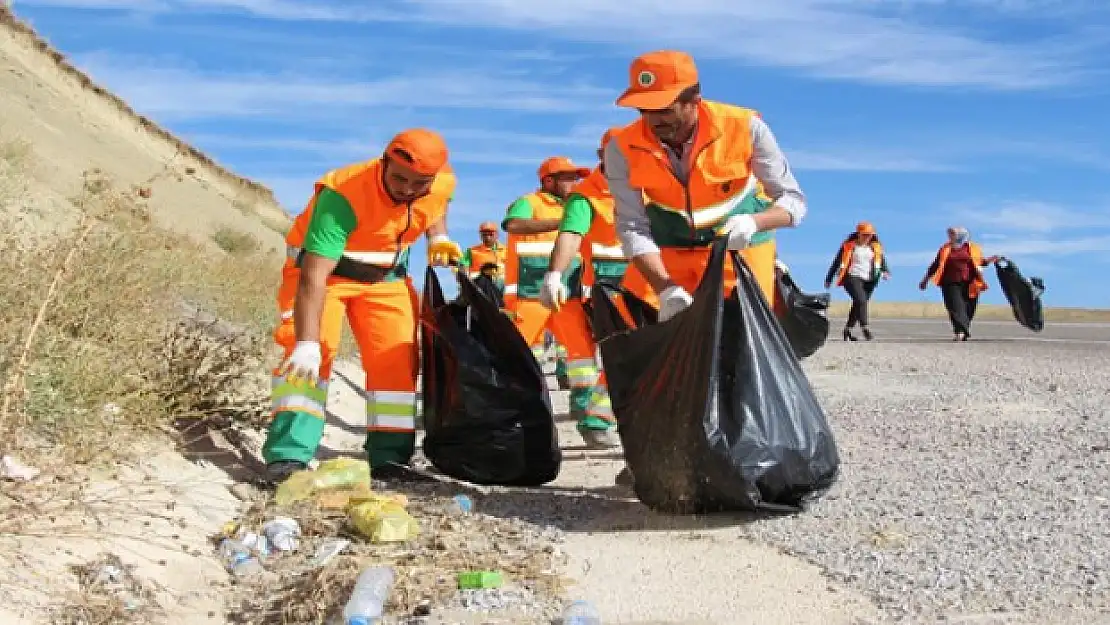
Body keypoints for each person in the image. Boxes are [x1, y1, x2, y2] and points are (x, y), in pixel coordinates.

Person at [263, 128, 463, 485]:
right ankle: (288, 457)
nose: (406, 189)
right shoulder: (343, 195)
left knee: (397, 362)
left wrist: (439, 236)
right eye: (399, 178)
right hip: (325, 277)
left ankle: (390, 458)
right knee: (312, 358)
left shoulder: (441, 183)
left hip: (385, 280)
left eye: (419, 183)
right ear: (383, 162)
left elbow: (436, 204)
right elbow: (314, 278)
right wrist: (306, 344)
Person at [605, 49, 807, 324]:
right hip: (668, 252)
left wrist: (754, 223)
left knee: (743, 333)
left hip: (739, 251)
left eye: (664, 110)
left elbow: (793, 203)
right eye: (644, 110)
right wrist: (665, 289)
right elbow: (631, 225)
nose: (653, 121)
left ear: (694, 101)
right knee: (636, 327)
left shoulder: (746, 128)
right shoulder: (621, 148)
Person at [501, 157, 603, 442]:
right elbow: (513, 225)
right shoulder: (529, 202)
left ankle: (585, 412)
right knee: (518, 355)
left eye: (576, 177)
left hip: (566, 294)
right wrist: (561, 222)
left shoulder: (578, 205)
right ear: (548, 181)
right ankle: (514, 415)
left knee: (582, 355)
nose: (574, 183)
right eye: (567, 177)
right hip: (528, 294)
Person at [539, 128, 628, 448]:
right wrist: (555, 274)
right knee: (626, 354)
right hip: (607, 288)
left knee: (631, 355)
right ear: (603, 155)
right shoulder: (587, 196)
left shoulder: (649, 185)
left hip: (647, 284)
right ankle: (598, 417)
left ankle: (600, 416)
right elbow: (571, 236)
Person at [918, 226, 999, 341]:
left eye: (953, 233)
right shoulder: (945, 249)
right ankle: (960, 331)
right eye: (950, 234)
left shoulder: (973, 248)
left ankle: (963, 329)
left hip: (971, 282)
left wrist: (990, 260)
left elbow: (980, 262)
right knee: (956, 307)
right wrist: (925, 280)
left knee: (969, 308)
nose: (950, 236)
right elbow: (935, 265)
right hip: (950, 282)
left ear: (961, 235)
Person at [824, 221, 890, 341]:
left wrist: (885, 271)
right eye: (865, 234)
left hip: (870, 280)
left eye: (869, 235)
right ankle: (865, 328)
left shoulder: (875, 247)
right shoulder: (849, 246)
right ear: (858, 234)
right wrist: (829, 278)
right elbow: (836, 262)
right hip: (852, 277)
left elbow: (881, 260)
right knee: (861, 300)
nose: (867, 237)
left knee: (859, 304)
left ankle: (847, 330)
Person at [460, 221, 507, 289]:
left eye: (491, 234)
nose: (487, 237)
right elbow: (463, 266)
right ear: (480, 235)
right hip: (479, 283)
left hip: (501, 282)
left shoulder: (507, 250)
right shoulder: (472, 251)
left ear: (497, 235)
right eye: (484, 235)